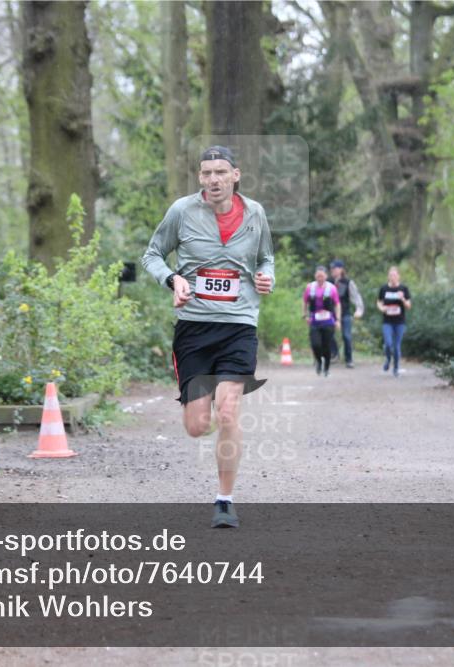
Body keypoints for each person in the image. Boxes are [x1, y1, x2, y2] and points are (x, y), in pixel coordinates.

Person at [141, 145, 274, 529]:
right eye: (206, 173)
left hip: (239, 325)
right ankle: (212, 415)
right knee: (197, 425)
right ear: (200, 178)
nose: (213, 179)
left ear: (236, 174)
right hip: (194, 329)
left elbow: (266, 258)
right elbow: (152, 255)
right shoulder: (182, 211)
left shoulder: (255, 213)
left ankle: (224, 501)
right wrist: (173, 278)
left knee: (229, 411)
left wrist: (268, 278)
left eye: (220, 172)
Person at [303, 265, 341, 377]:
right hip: (314, 321)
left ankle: (327, 368)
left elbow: (337, 304)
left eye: (322, 276)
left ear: (326, 276)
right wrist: (305, 315)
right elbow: (305, 302)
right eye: (318, 275)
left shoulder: (332, 288)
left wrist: (338, 319)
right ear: (315, 276)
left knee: (327, 346)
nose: (320, 278)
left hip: (328, 322)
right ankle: (319, 361)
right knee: (315, 344)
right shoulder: (310, 287)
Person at [327, 259, 365, 368]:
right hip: (331, 314)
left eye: (335, 268)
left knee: (346, 336)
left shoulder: (348, 282)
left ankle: (349, 359)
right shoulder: (328, 282)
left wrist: (359, 310)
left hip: (345, 314)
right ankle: (334, 354)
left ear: (341, 269)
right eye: (331, 268)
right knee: (328, 334)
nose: (332, 270)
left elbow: (356, 297)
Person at [376, 266, 411, 377]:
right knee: (388, 343)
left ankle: (396, 368)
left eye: (395, 275)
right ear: (388, 277)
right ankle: (387, 359)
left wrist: (403, 299)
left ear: (398, 276)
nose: (393, 277)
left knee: (396, 346)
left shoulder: (404, 289)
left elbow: (409, 306)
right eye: (391, 275)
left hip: (399, 322)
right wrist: (382, 308)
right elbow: (379, 302)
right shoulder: (384, 289)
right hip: (387, 321)